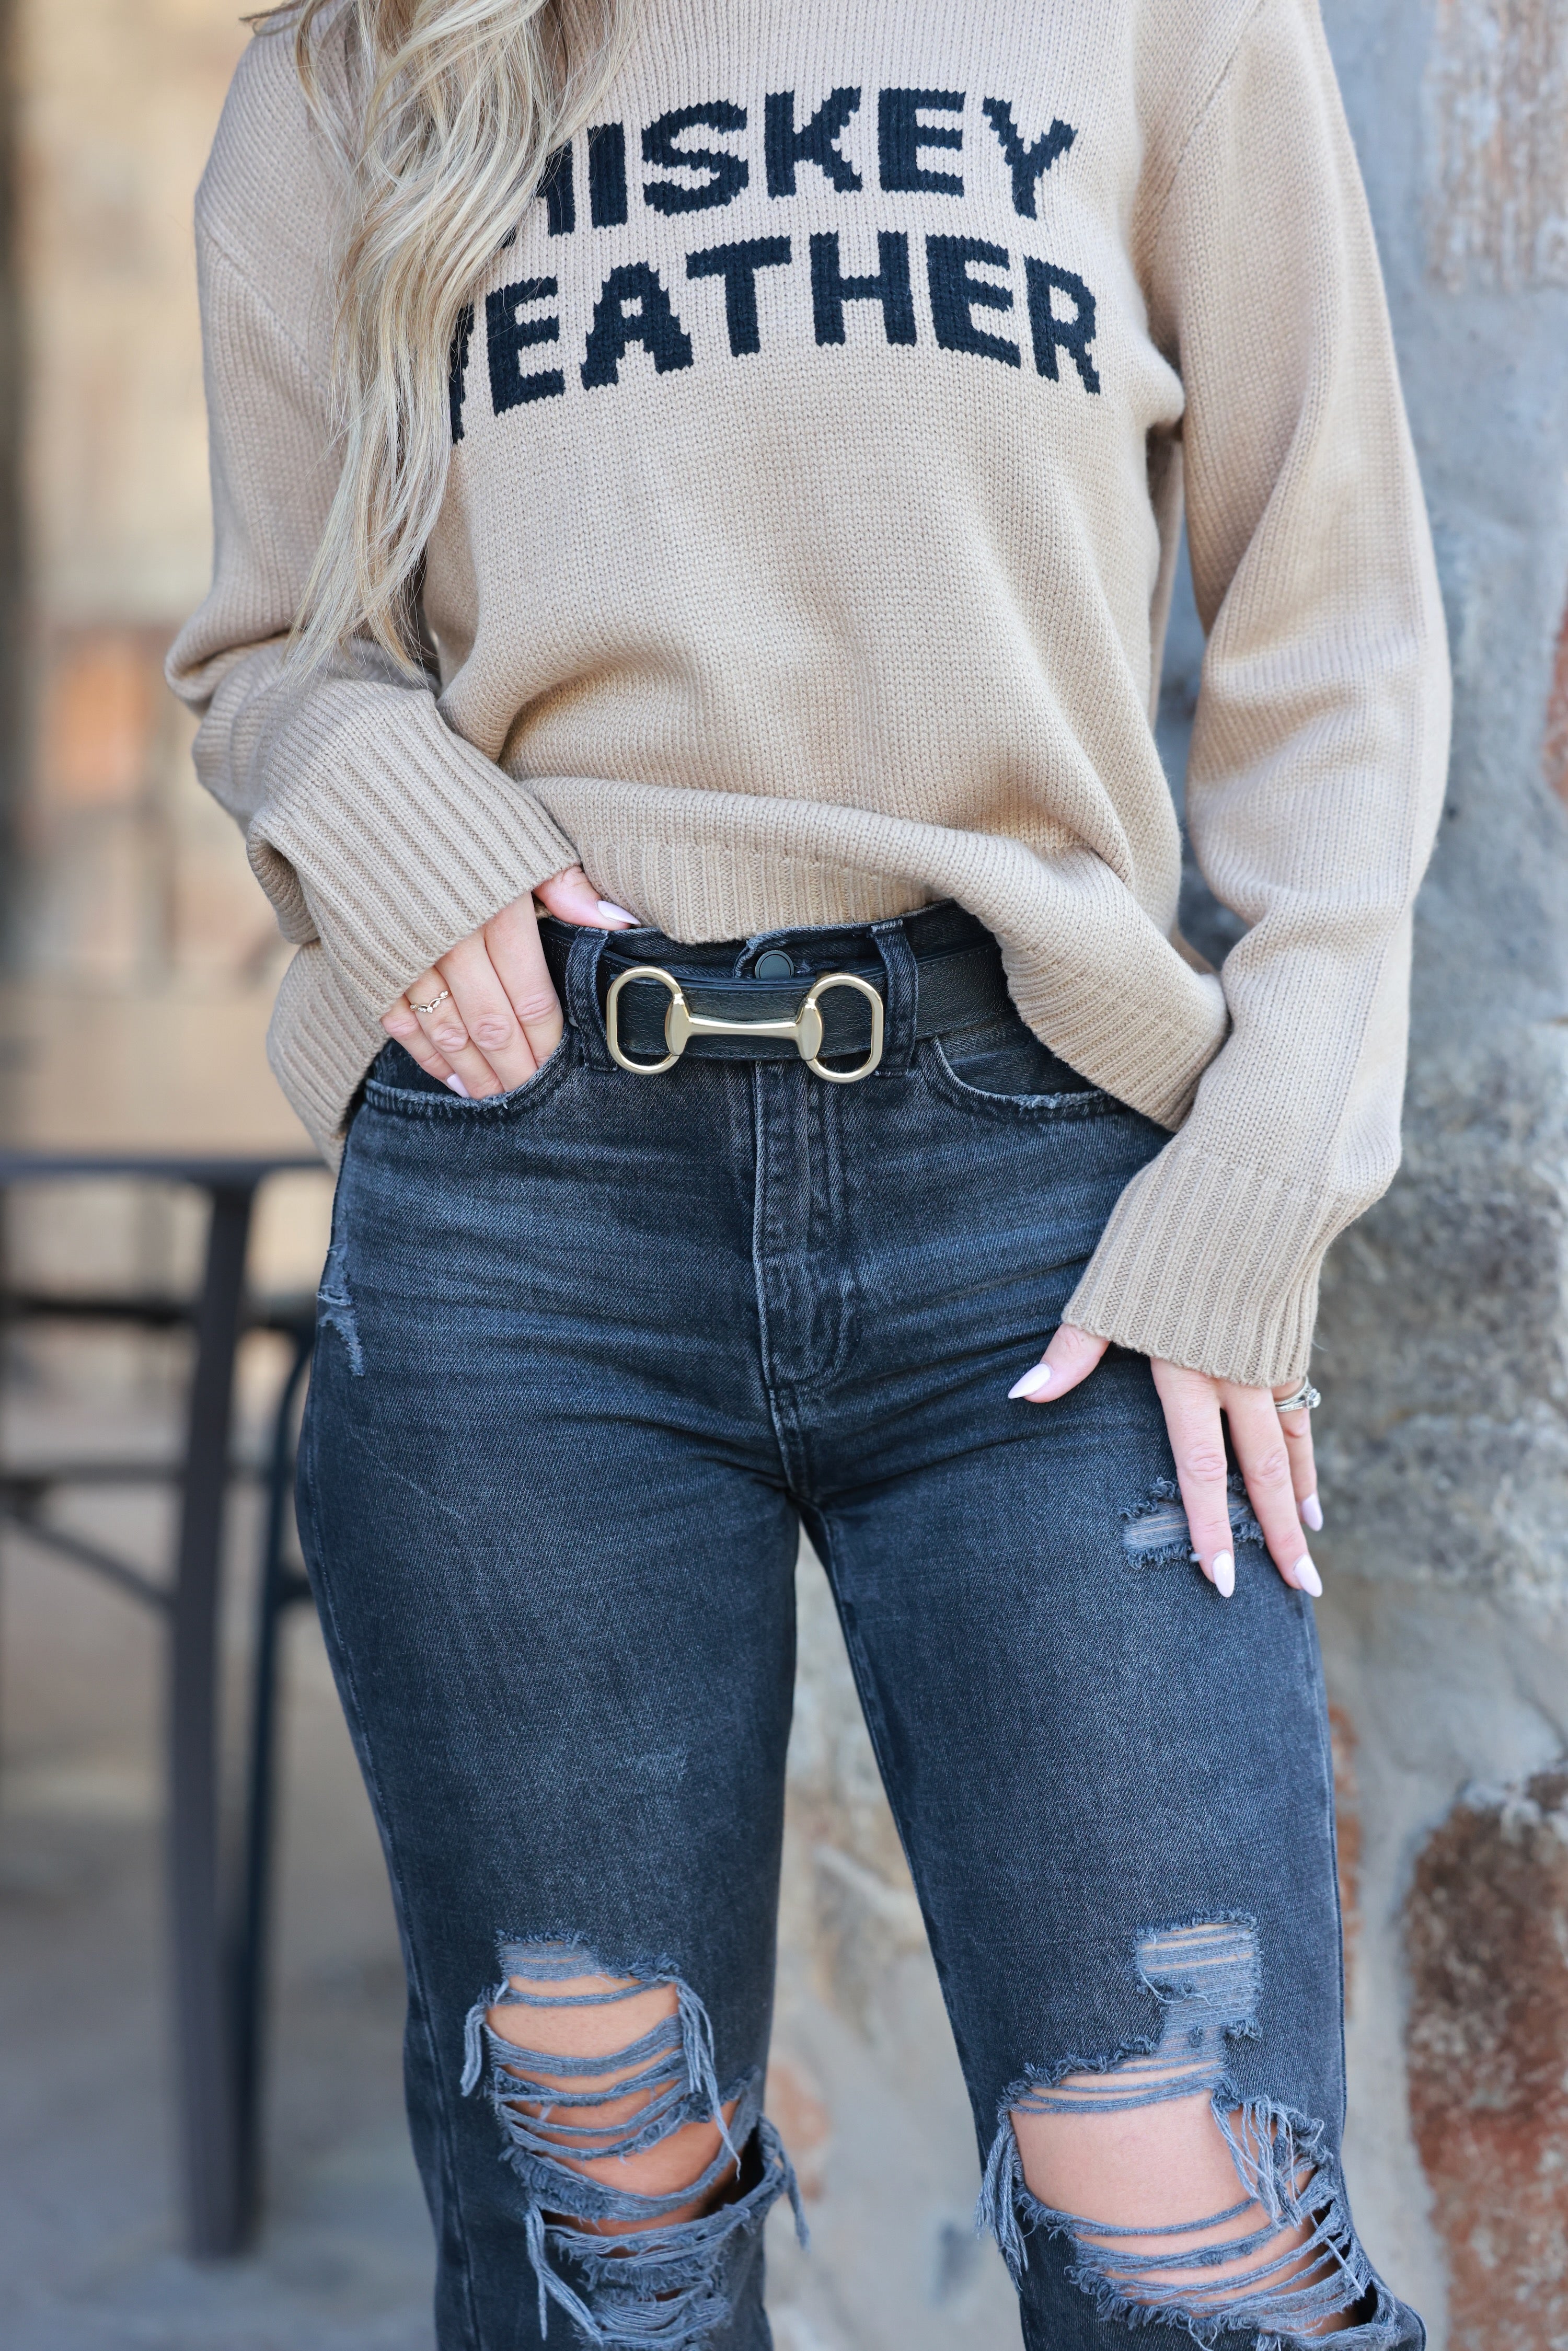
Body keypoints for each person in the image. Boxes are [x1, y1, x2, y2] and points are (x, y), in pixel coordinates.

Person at [169, 1, 1447, 2343]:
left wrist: (1268, 1160)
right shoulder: (350, 74)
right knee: (604, 2246)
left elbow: (1334, 623)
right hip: (527, 1201)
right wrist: (377, 809)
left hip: (1048, 1200)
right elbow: (268, 653)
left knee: (1204, 2256)